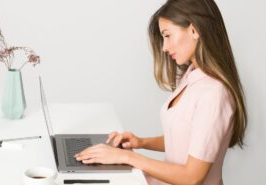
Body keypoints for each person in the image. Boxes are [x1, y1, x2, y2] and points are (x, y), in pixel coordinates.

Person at [74, 0, 247, 184]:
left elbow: (192, 177)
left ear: (194, 30)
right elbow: (185, 140)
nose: (164, 47)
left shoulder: (214, 94)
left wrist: (127, 158)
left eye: (167, 35)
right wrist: (140, 142)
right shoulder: (190, 76)